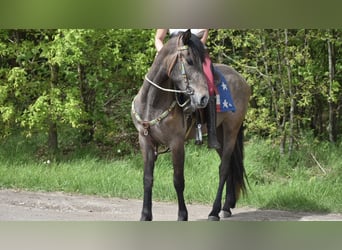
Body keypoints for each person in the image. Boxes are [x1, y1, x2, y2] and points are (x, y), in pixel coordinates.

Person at [155, 29, 220, 149]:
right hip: (173, 56)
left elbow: (202, 38)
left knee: (209, 84)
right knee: (154, 80)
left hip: (196, 56)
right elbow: (158, 39)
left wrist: (192, 53)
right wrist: (165, 54)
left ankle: (212, 134)